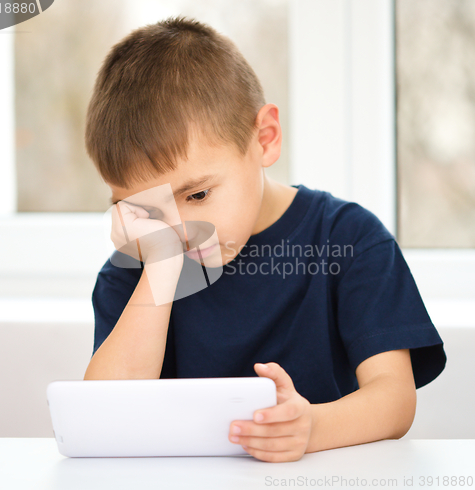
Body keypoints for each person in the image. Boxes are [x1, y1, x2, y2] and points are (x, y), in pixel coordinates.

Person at [83, 16, 446, 463]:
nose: (177, 231)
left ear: (265, 140)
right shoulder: (138, 267)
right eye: (145, 211)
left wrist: (310, 427)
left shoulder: (348, 239)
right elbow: (105, 416)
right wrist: (159, 269)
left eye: (197, 194)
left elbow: (394, 400)